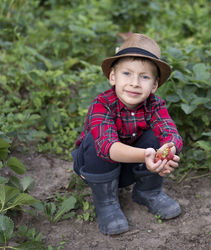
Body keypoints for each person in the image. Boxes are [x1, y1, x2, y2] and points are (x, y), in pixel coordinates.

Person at [71, 33, 183, 235]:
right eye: (127, 74)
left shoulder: (155, 104)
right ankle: (106, 203)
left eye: (145, 76)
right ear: (112, 77)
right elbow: (107, 146)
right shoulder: (102, 104)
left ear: (155, 85)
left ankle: (148, 192)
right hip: (96, 167)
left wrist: (167, 153)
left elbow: (170, 132)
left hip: (131, 166)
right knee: (95, 142)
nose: (135, 83)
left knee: (158, 136)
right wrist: (146, 155)